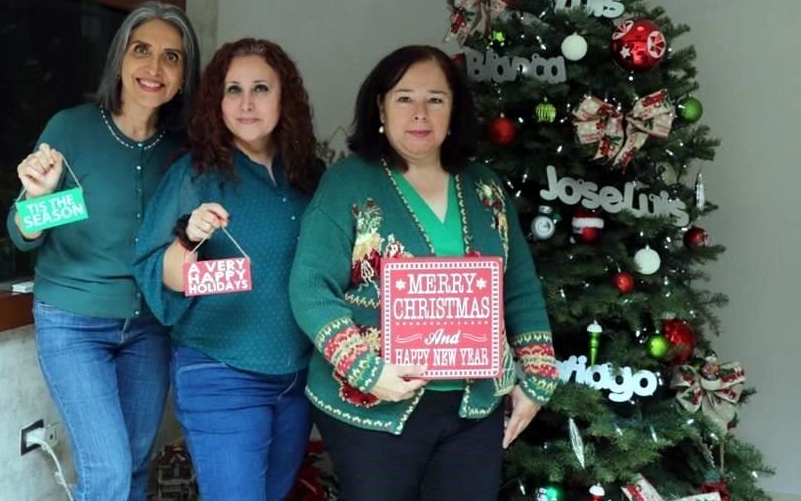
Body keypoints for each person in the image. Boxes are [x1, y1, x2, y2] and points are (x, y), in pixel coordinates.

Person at [287, 45, 559, 501]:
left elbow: (521, 289)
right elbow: (311, 286)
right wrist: (365, 369)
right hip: (374, 406)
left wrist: (537, 377)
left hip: (473, 408)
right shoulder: (348, 183)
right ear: (380, 106)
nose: (419, 113)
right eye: (403, 98)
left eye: (435, 98)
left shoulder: (485, 188)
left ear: (454, 109)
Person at [7, 1, 201, 501]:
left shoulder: (181, 149)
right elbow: (20, 231)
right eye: (141, 50)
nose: (154, 68)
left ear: (184, 74)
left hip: (148, 325)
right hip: (73, 321)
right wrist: (38, 196)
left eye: (171, 57)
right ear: (119, 58)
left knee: (135, 467)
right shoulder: (71, 129)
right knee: (109, 472)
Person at [133, 38, 324, 501]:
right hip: (220, 373)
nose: (246, 102)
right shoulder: (195, 173)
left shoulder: (308, 176)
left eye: (260, 88)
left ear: (285, 98)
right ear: (216, 101)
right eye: (232, 89)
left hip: (297, 377)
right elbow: (159, 271)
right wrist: (188, 239)